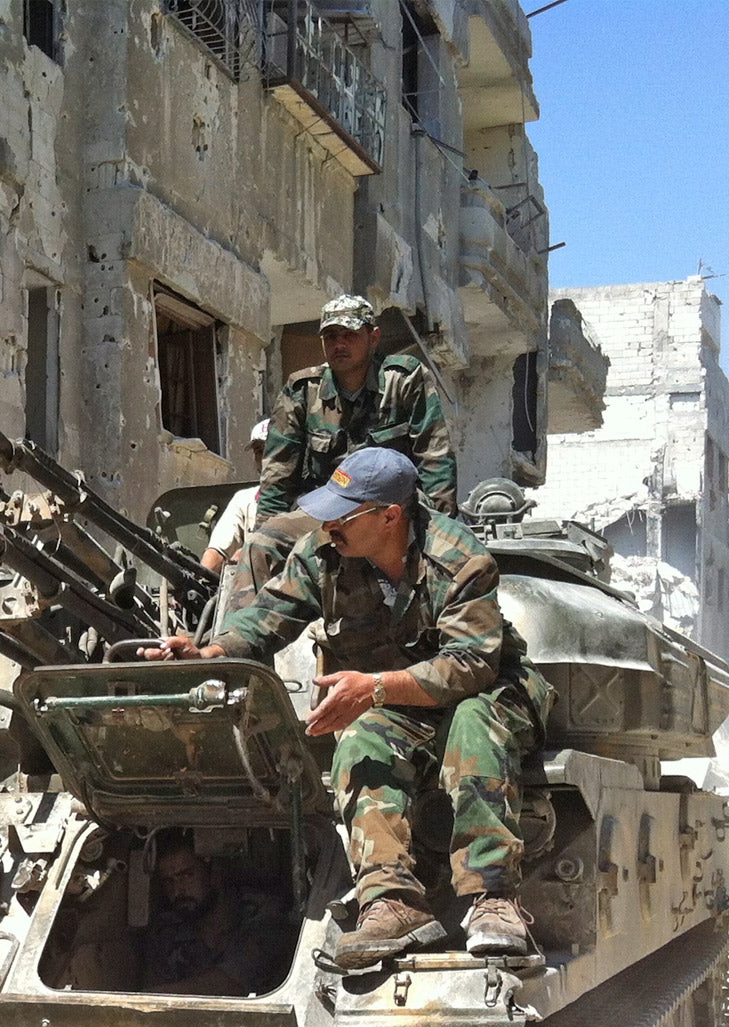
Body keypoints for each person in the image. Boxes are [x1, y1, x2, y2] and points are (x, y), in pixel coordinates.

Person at [148, 446, 552, 969]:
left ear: (390, 517)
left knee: (472, 725)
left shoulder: (459, 558)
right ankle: (390, 902)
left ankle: (493, 897)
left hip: (491, 690)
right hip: (401, 702)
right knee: (361, 740)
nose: (328, 521)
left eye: (345, 511)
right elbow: (269, 615)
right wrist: (211, 651)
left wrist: (376, 688)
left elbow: (471, 666)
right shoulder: (324, 551)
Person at [257, 294, 457, 523]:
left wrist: (441, 525)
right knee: (263, 543)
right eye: (330, 336)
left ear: (373, 338)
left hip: (391, 514)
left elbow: (434, 457)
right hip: (325, 513)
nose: (339, 345)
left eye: (350, 335)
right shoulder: (302, 390)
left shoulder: (403, 380)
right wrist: (266, 528)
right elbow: (278, 473)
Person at [140, 834, 273, 995]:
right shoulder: (166, 930)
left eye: (187, 876)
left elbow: (234, 983)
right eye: (169, 882)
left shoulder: (261, 911)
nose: (177, 891)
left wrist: (160, 996)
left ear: (214, 873)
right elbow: (154, 988)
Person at [199, 419, 270, 575]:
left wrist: (248, 555)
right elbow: (217, 552)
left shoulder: (310, 501)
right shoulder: (245, 499)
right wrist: (197, 582)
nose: (265, 458)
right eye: (259, 451)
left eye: (272, 450)